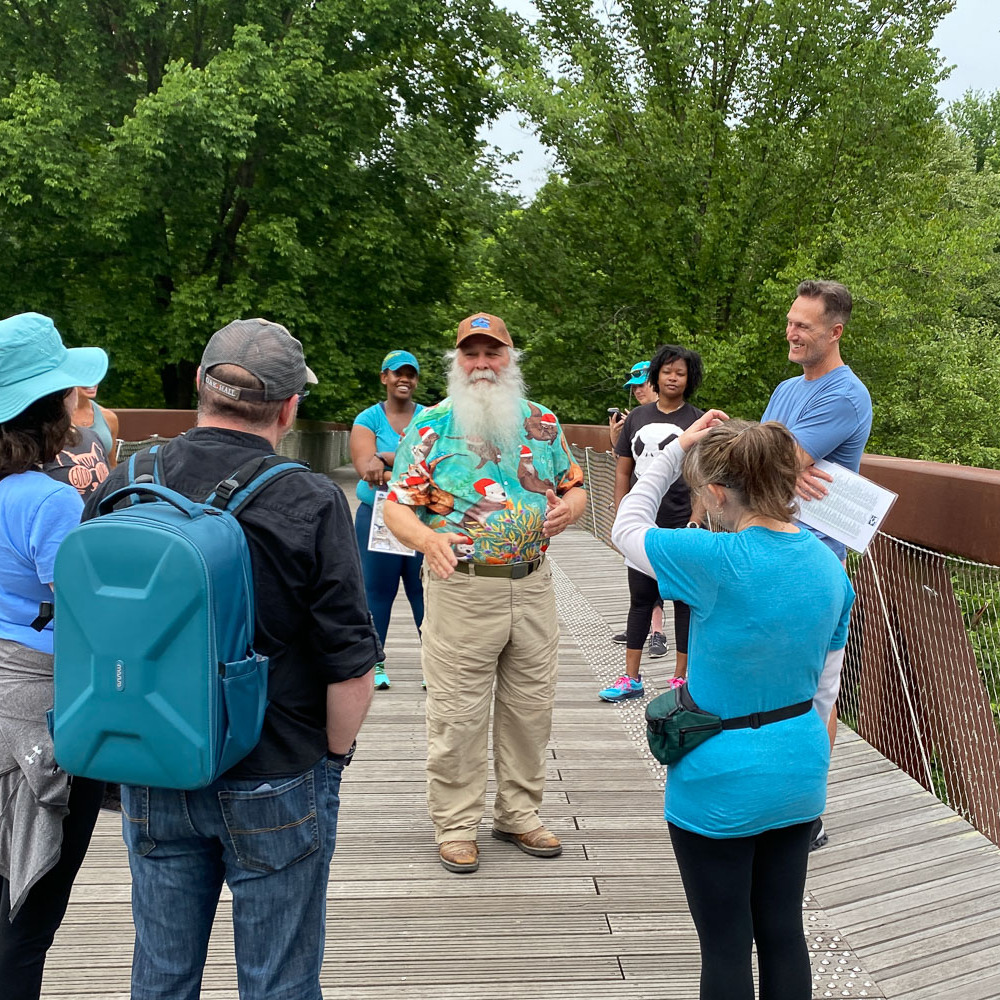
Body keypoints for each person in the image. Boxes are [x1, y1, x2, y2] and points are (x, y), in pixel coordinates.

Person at [84, 318, 381, 1000]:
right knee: (279, 982)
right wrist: (331, 761)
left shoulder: (129, 479)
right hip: (275, 771)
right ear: (289, 406)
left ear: (199, 384)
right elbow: (351, 664)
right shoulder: (309, 498)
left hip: (153, 766)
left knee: (160, 976)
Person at [612, 412, 855, 1000]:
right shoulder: (830, 565)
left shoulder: (712, 560)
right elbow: (827, 689)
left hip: (719, 779)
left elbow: (626, 525)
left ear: (718, 492)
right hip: (799, 771)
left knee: (725, 945)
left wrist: (672, 453)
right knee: (783, 933)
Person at [382, 312, 587, 875]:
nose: (481, 365)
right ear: (456, 363)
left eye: (491, 353)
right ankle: (456, 824)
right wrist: (428, 539)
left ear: (510, 358)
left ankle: (518, 814)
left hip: (534, 584)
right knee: (457, 713)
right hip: (461, 588)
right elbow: (397, 503)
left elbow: (577, 488)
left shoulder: (543, 422)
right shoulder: (431, 425)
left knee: (531, 708)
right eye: (470, 354)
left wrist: (569, 510)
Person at [0, 312, 109, 1000]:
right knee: (29, 908)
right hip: (43, 712)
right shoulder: (49, 502)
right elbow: (84, 615)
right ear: (54, 408)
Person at [761, 279, 872, 850]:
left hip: (813, 564)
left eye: (804, 325)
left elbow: (765, 457)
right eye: (790, 321)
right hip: (770, 553)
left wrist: (776, 460)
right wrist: (774, 461)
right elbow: (756, 455)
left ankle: (808, 813)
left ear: (835, 331)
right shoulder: (786, 389)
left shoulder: (846, 395)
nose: (792, 332)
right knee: (769, 686)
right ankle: (776, 801)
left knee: (813, 696)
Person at [599, 345, 704, 702]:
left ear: (690, 380)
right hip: (642, 525)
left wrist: (695, 521)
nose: (673, 378)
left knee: (684, 603)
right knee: (640, 600)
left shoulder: (696, 419)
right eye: (667, 371)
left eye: (681, 373)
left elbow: (703, 478)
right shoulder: (637, 418)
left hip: (680, 525)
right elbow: (623, 471)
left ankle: (681, 678)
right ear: (656, 375)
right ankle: (631, 677)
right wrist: (620, 516)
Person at [350, 350, 426, 690]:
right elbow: (367, 471)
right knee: (376, 592)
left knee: (424, 592)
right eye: (397, 373)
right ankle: (375, 664)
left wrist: (385, 456)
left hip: (422, 516)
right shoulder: (368, 420)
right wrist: (403, 463)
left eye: (410, 374)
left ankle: (435, 664)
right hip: (378, 517)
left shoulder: (431, 418)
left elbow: (438, 468)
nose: (404, 380)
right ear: (384, 378)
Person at [609, 360, 666, 650]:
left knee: (659, 571)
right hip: (640, 505)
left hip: (670, 506)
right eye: (634, 388)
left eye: (642, 385)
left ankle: (658, 632)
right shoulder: (636, 418)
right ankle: (650, 630)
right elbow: (625, 464)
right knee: (641, 572)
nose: (638, 392)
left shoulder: (679, 417)